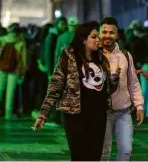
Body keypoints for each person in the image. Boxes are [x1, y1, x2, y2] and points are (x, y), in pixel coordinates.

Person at [33, 22, 119, 161]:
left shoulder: (103, 58)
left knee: (95, 156)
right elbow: (55, 86)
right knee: (79, 156)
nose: (98, 40)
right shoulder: (69, 57)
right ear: (83, 39)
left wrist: (114, 79)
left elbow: (109, 89)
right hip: (75, 116)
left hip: (98, 115)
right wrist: (43, 114)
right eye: (94, 37)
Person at [99, 17, 144, 161]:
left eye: (111, 32)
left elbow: (133, 83)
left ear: (117, 35)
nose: (107, 35)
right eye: (104, 32)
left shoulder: (125, 55)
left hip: (123, 112)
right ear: (99, 33)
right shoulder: (93, 55)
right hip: (101, 113)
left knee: (126, 151)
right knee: (103, 153)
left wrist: (139, 105)